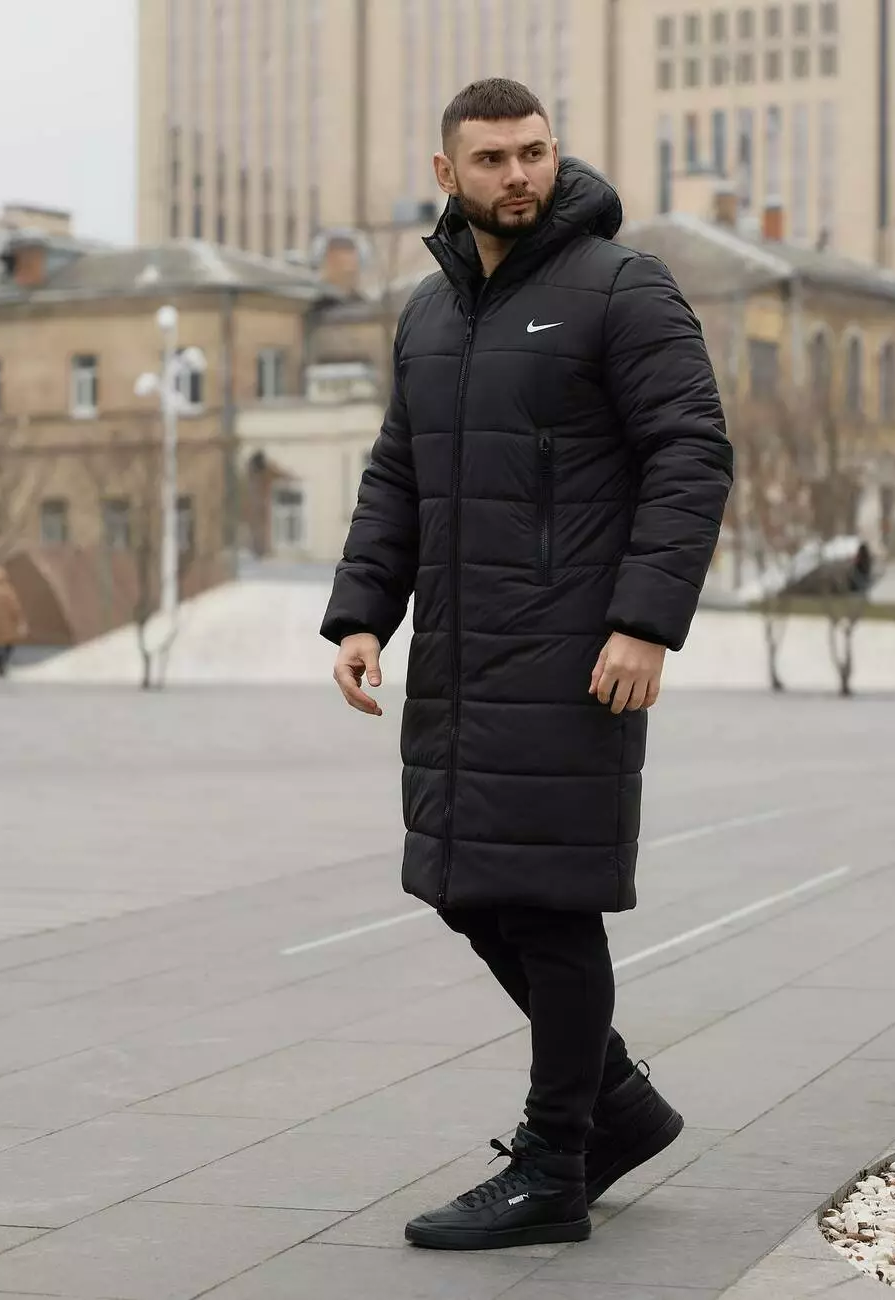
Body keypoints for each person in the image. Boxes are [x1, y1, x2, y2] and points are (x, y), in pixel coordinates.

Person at [321, 78, 733, 1252]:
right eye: (493, 158)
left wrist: (645, 622)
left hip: (575, 652)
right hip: (462, 650)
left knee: (549, 904)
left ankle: (556, 1161)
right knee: (464, 884)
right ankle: (620, 1107)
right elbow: (398, 471)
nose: (519, 175)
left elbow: (691, 453)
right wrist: (363, 613)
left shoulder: (621, 287)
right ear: (445, 173)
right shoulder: (427, 311)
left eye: (535, 152)